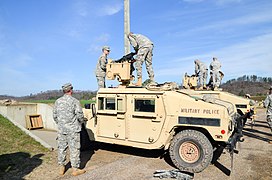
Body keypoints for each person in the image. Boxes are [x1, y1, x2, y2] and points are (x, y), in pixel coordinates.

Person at [53, 83, 86, 176]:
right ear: (71, 90)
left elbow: (54, 116)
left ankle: (61, 168)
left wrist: (61, 124)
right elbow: (79, 115)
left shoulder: (57, 101)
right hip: (73, 130)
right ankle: (75, 169)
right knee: (74, 148)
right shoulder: (74, 101)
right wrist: (81, 122)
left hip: (61, 129)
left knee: (61, 148)